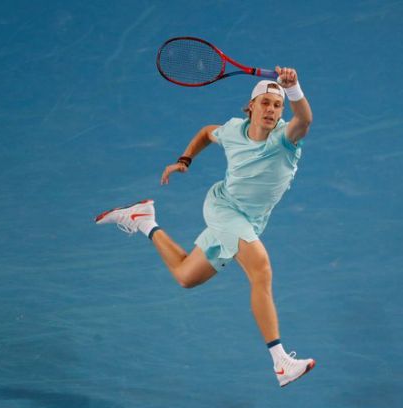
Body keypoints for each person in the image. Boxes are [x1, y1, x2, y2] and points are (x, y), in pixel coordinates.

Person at [96, 66, 314, 387]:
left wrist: (294, 89)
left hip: (250, 220)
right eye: (265, 103)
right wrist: (184, 160)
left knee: (186, 276)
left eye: (278, 105)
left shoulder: (285, 139)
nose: (271, 110)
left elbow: (304, 120)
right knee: (261, 270)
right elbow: (205, 132)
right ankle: (280, 360)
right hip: (223, 209)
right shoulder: (232, 131)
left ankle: (143, 220)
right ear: (250, 107)